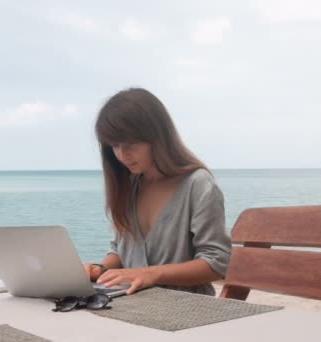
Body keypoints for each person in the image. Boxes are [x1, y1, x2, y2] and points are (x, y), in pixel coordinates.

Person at [84, 87, 231, 296]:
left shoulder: (197, 184)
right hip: (130, 303)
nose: (123, 155)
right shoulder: (129, 185)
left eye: (132, 143)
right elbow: (120, 250)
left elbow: (216, 263)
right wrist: (101, 269)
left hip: (186, 309)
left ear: (158, 136)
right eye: (115, 145)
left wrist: (151, 274)